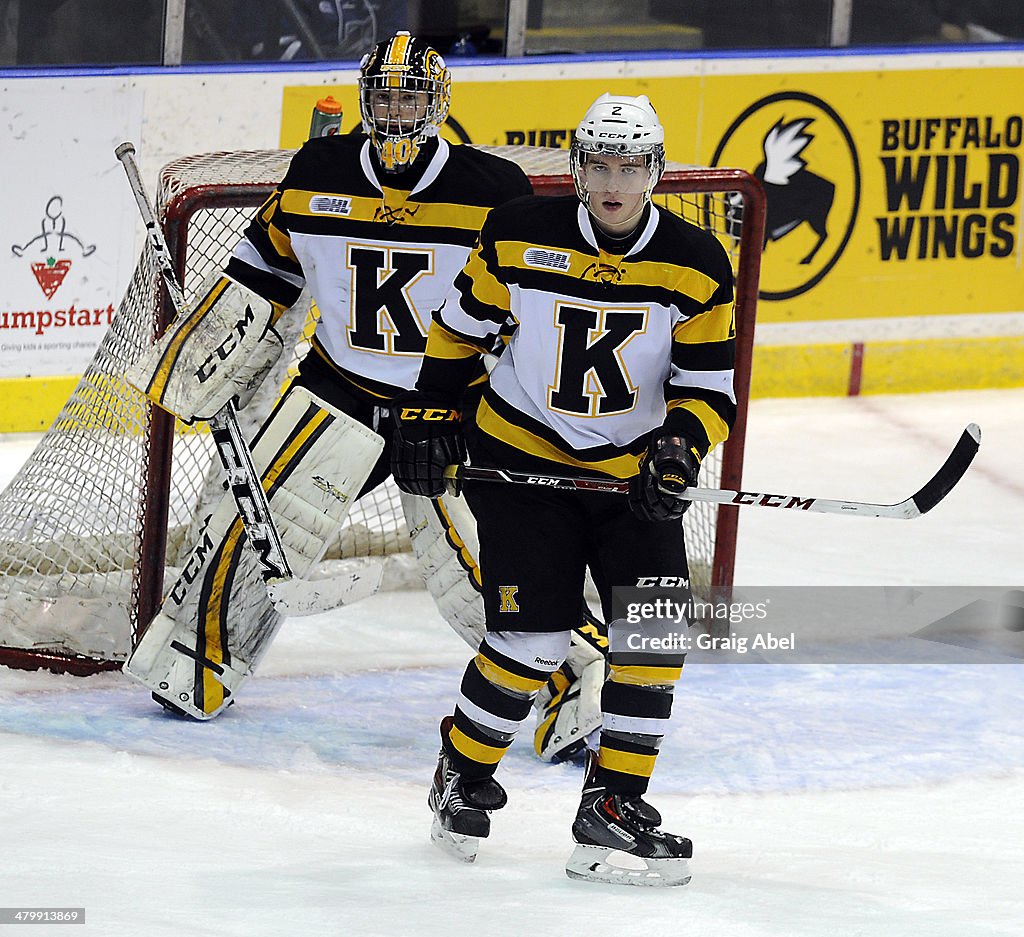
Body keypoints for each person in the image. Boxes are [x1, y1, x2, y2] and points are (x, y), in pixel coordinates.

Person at [123, 30, 605, 758]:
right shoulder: (319, 169)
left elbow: (530, 303)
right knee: (249, 522)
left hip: (448, 404)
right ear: (365, 99)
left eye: (411, 95)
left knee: (478, 558)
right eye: (385, 95)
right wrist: (210, 350)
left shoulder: (492, 187)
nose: (397, 109)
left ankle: (584, 678)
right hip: (338, 385)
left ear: (438, 103)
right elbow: (266, 273)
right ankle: (196, 659)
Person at [392, 92, 737, 886]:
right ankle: (461, 770)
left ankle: (611, 807)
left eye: (631, 166)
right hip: (522, 466)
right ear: (578, 169)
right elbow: (459, 328)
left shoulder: (695, 259)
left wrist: (679, 449)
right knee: (534, 642)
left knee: (651, 637)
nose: (614, 183)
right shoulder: (518, 231)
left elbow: (708, 384)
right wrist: (428, 412)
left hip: (628, 476)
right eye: (599, 165)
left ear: (655, 171)